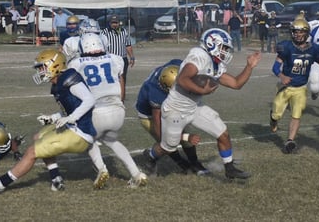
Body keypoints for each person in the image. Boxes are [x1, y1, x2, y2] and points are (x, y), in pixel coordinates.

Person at [142, 28, 262, 179]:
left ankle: (229, 167)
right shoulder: (200, 56)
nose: (225, 51)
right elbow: (182, 79)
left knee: (222, 132)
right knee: (168, 146)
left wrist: (249, 66)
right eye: (223, 47)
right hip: (175, 109)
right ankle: (151, 157)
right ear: (212, 43)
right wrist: (202, 90)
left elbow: (237, 83)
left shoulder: (216, 64)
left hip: (194, 107)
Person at [0, 49, 99, 192]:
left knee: (31, 152)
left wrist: (71, 118)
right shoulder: (57, 84)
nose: (40, 71)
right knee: (38, 137)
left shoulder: (69, 77)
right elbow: (70, 108)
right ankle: (56, 179)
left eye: (42, 67)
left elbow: (90, 100)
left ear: (55, 65)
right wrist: (53, 117)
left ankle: (0, 184)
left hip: (80, 133)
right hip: (74, 127)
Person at [69, 33, 148, 188]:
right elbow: (121, 82)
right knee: (111, 140)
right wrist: (120, 102)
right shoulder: (115, 59)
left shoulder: (76, 63)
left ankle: (101, 169)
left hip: (96, 111)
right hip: (116, 109)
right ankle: (136, 173)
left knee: (88, 141)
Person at [270, 18, 319, 153]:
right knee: (276, 114)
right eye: (295, 32)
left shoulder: (314, 49)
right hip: (285, 87)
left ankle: (290, 141)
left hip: (301, 88)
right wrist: (282, 76)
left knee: (297, 114)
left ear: (307, 33)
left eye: (301, 32)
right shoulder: (286, 47)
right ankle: (273, 119)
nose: (297, 35)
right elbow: (275, 67)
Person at [135, 59, 208, 175]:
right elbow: (161, 131)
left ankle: (195, 163)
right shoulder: (156, 93)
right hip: (148, 115)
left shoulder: (178, 65)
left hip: (169, 107)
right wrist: (184, 137)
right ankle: (154, 158)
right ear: (165, 88)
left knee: (184, 131)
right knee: (168, 142)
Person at [101, 15, 135, 101]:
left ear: (119, 22)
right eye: (113, 23)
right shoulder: (104, 32)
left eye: (116, 22)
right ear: (109, 23)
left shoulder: (124, 31)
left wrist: (132, 57)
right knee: (110, 78)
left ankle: (121, 99)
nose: (114, 25)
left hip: (122, 59)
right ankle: (110, 97)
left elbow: (128, 45)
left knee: (122, 79)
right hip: (110, 60)